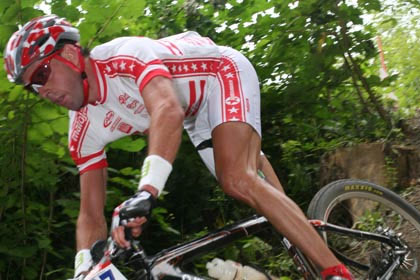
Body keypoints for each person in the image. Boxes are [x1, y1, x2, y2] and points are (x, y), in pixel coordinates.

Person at [4, 14, 354, 280]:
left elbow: (166, 110)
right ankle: (299, 228)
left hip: (220, 73)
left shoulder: (122, 56)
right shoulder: (81, 129)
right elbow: (90, 215)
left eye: (41, 75)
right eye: (31, 87)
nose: (42, 91)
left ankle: (337, 273)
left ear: (68, 54)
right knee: (254, 188)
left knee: (236, 178)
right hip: (194, 113)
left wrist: (147, 192)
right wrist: (83, 267)